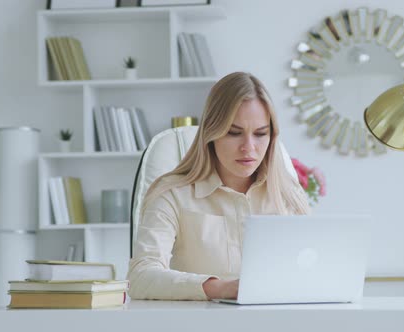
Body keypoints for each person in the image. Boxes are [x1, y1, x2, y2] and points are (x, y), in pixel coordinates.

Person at [127, 72, 310, 301]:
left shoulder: (287, 195)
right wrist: (219, 289)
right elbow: (141, 278)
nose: (249, 147)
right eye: (234, 133)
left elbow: (312, 270)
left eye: (261, 134)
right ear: (210, 133)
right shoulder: (171, 195)